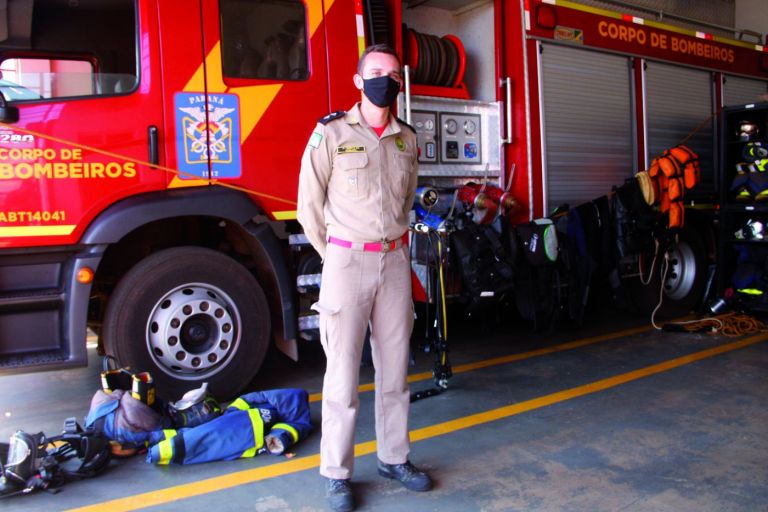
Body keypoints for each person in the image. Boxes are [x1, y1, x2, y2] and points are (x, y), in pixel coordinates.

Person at [297, 44, 432, 512]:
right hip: (346, 263)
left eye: (393, 74)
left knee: (395, 371)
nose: (385, 80)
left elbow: (406, 199)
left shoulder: (407, 139)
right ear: (358, 81)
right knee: (341, 377)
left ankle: (395, 458)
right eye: (375, 73)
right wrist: (335, 255)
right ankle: (337, 473)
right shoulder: (331, 133)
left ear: (400, 81)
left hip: (395, 263)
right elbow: (308, 207)